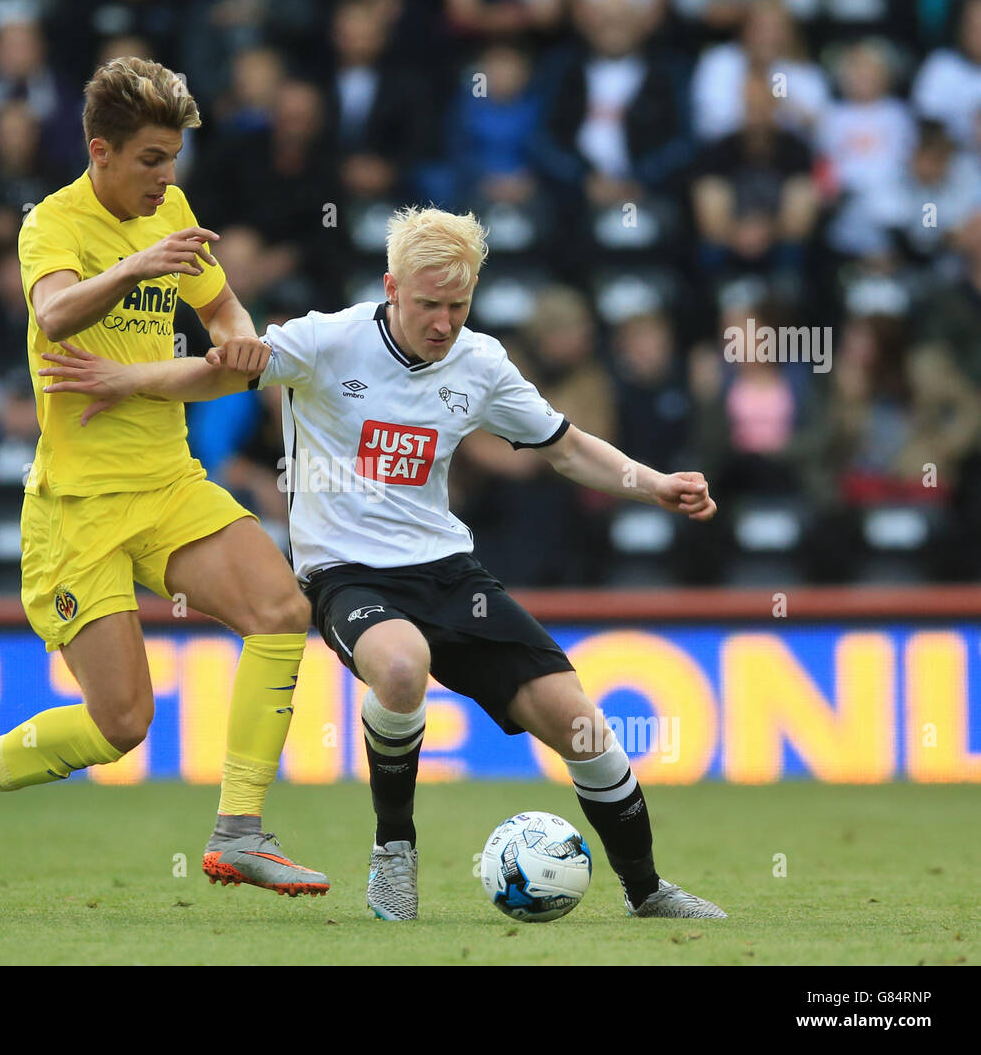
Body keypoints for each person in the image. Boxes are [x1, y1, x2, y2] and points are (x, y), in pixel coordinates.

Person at [38, 206, 728, 922]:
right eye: (429, 304)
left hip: (451, 573)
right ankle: (393, 851)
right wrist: (129, 380)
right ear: (392, 287)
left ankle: (648, 890)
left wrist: (654, 484)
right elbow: (221, 372)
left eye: (458, 305)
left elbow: (564, 444)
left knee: (579, 722)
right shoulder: (328, 340)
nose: (444, 321)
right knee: (400, 667)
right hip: (348, 575)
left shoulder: (481, 362)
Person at [0, 57, 328, 898]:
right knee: (123, 724)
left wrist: (241, 336)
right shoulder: (51, 224)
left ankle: (239, 831)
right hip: (79, 507)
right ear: (99, 151)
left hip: (168, 480)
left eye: (173, 158)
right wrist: (137, 269)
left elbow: (220, 309)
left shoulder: (169, 207)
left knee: (283, 607)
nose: (165, 177)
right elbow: (54, 311)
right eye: (149, 159)